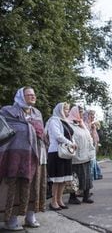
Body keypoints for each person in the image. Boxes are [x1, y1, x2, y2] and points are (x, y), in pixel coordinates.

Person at [0, 87, 46, 230]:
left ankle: (30, 216)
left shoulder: (37, 113)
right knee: (13, 187)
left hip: (35, 156)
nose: (32, 96)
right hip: (14, 156)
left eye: (34, 94)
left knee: (33, 186)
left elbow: (42, 133)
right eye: (29, 94)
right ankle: (10, 220)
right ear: (21, 96)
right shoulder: (8, 111)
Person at [46, 102, 76, 211]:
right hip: (56, 152)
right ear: (59, 110)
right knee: (57, 179)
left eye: (68, 109)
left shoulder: (65, 122)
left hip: (65, 152)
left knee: (64, 179)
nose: (67, 111)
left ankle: (59, 200)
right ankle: (53, 202)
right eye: (65, 109)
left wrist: (73, 142)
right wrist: (71, 143)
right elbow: (57, 135)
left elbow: (71, 135)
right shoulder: (54, 120)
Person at [67, 106, 95, 205]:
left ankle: (86, 196)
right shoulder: (69, 124)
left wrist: (91, 152)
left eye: (82, 113)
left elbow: (89, 138)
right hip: (76, 156)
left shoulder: (81, 124)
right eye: (80, 113)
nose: (82, 115)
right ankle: (72, 197)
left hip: (86, 155)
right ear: (74, 112)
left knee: (87, 177)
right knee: (75, 177)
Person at [83, 110, 103, 180]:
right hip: (86, 148)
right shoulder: (84, 124)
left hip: (92, 147)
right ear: (87, 116)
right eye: (91, 115)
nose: (93, 117)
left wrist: (94, 129)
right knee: (90, 164)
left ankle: (94, 176)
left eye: (93, 115)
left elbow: (96, 138)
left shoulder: (91, 125)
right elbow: (87, 136)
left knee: (92, 163)